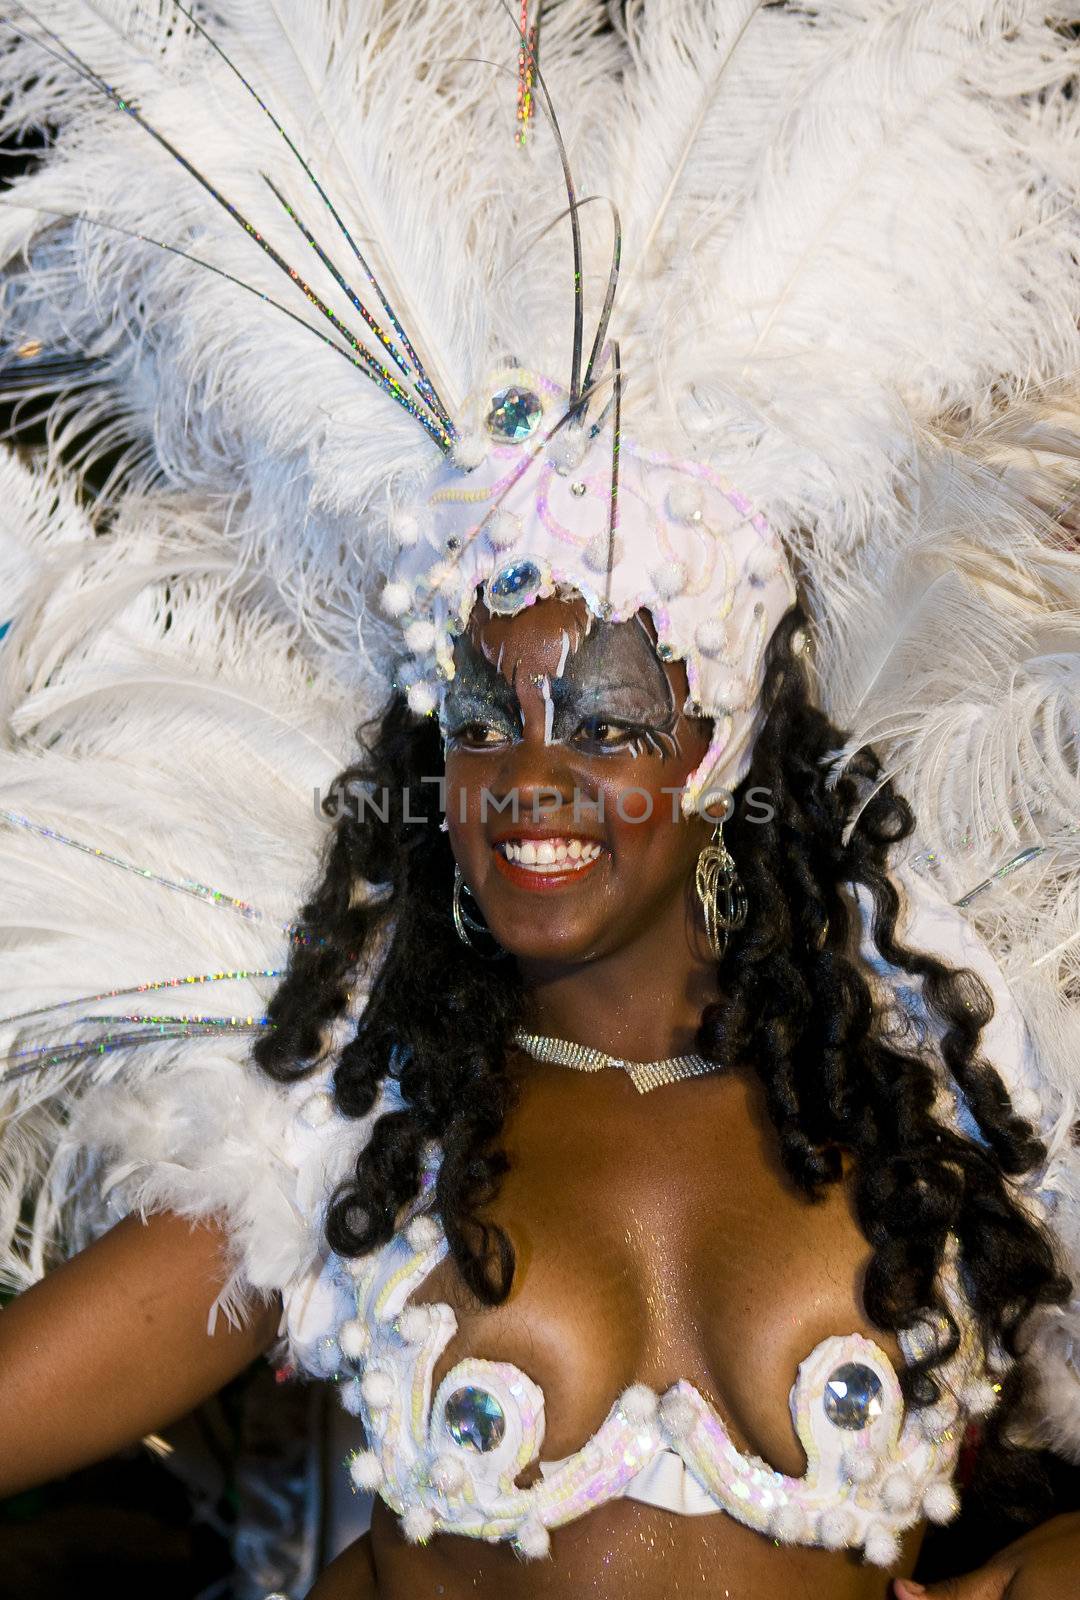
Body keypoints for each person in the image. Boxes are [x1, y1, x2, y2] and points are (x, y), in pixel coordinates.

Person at [1, 3, 1080, 1597]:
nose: (529, 778)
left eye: (603, 720)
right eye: (484, 722)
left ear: (716, 751)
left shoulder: (952, 1109)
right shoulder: (349, 1142)